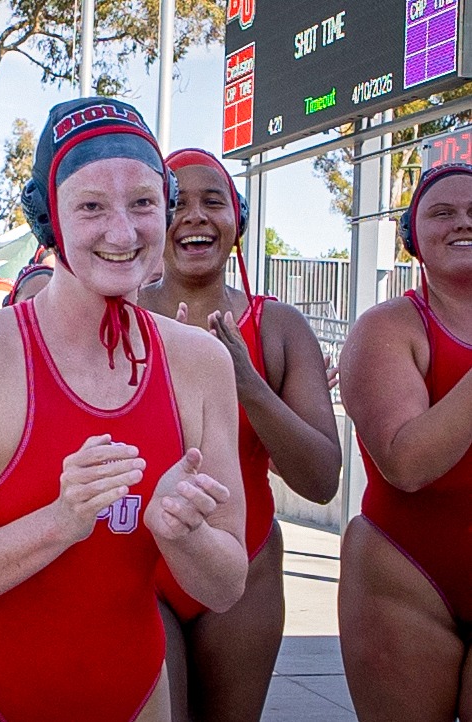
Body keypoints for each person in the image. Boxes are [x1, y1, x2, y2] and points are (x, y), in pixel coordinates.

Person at [0, 97, 247, 721]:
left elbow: (226, 584)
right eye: (90, 206)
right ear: (49, 219)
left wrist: (182, 534)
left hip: (135, 696)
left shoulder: (199, 363)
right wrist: (60, 522)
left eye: (142, 202)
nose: (122, 232)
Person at [139, 148, 341, 722]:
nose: (195, 215)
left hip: (246, 563)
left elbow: (322, 479)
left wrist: (247, 382)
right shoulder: (119, 317)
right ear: (154, 219)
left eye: (213, 201)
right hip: (139, 566)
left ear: (237, 222)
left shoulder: (278, 327)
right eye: (177, 202)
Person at [338, 163, 472, 721]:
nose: (463, 221)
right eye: (442, 213)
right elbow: (409, 464)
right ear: (412, 237)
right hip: (407, 573)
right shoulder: (387, 328)